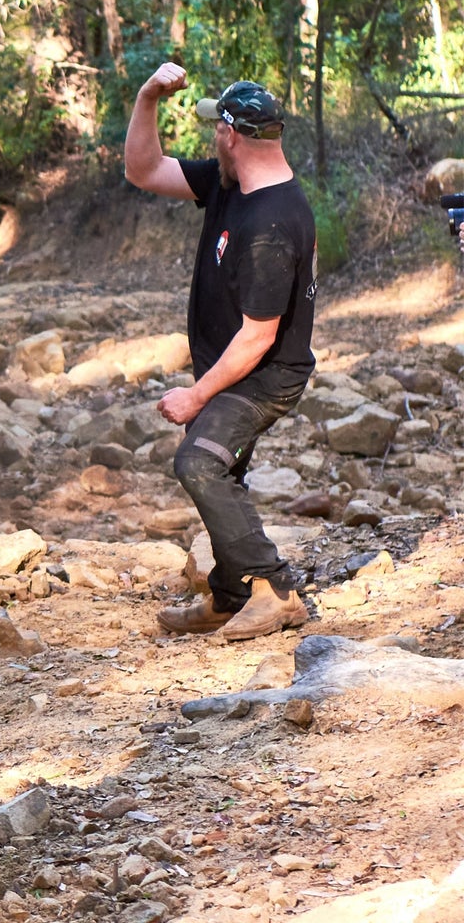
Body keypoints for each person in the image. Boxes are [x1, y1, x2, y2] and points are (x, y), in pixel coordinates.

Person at [124, 64, 318, 640]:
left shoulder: (272, 224)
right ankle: (232, 593)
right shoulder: (229, 185)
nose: (213, 138)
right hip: (234, 367)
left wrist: (196, 395)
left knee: (200, 463)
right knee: (221, 468)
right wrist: (147, 97)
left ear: (231, 135)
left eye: (216, 129)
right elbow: (143, 169)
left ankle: (274, 590)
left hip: (262, 376)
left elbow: (259, 336)